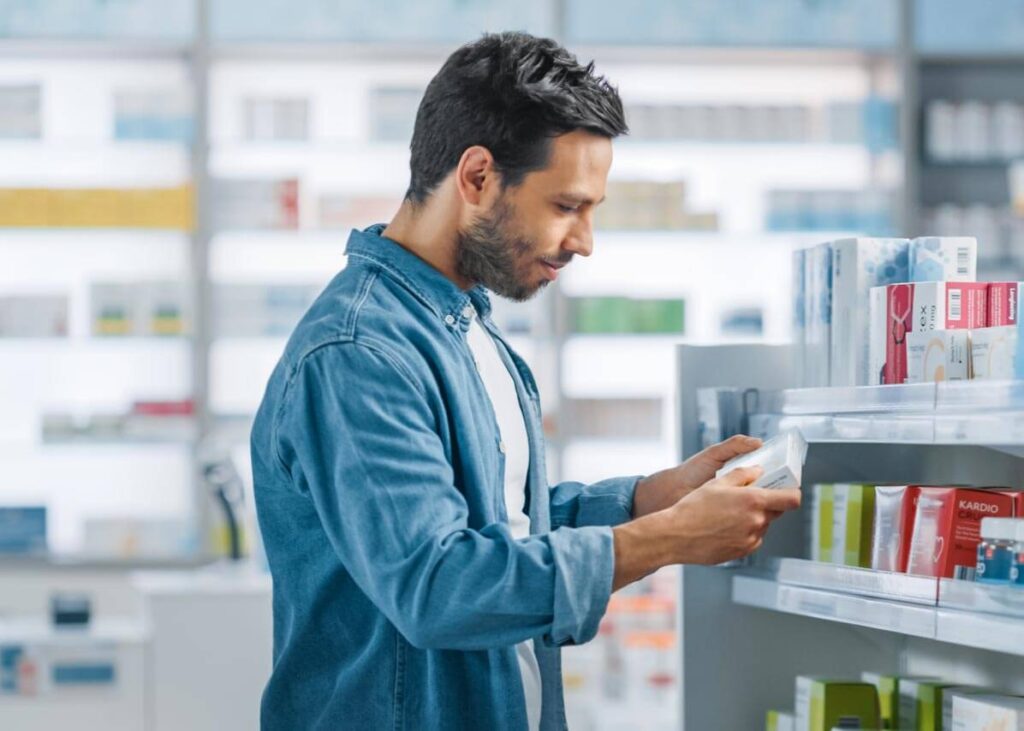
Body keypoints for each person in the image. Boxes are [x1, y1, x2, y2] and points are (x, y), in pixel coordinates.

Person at [251, 30, 801, 731]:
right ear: (477, 178)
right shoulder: (359, 353)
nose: (584, 241)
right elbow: (440, 584)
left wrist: (650, 499)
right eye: (567, 206)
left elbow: (503, 526)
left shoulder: (466, 325)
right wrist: (667, 538)